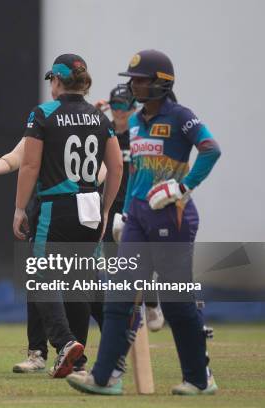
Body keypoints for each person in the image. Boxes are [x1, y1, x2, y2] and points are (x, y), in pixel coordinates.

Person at [67, 49, 221, 396]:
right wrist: (127, 214)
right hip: (138, 217)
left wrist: (181, 186)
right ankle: (105, 377)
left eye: (141, 80)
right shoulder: (135, 121)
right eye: (132, 80)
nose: (134, 86)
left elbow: (211, 149)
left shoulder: (181, 116)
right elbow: (137, 168)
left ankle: (200, 378)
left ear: (162, 83)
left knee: (175, 302)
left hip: (174, 218)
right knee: (119, 296)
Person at [12, 54, 123, 378]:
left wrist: (20, 208)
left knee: (39, 275)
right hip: (89, 203)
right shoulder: (99, 117)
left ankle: (64, 343)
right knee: (79, 282)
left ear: (58, 81)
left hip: (56, 205)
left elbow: (31, 165)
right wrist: (105, 208)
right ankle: (80, 360)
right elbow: (115, 166)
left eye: (52, 80)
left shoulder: (44, 114)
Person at [96, 87, 165, 333]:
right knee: (114, 266)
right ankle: (127, 314)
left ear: (133, 108)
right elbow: (100, 168)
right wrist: (94, 114)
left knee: (139, 261)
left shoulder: (139, 135)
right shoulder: (105, 133)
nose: (118, 111)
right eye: (115, 105)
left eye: (123, 106)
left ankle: (151, 300)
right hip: (111, 206)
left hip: (136, 206)